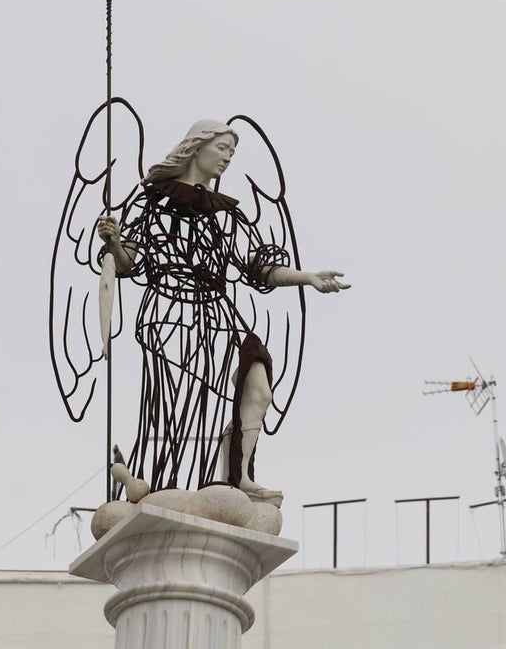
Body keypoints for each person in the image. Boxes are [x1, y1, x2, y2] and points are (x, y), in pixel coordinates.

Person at [97, 119, 348, 501]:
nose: (227, 158)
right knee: (177, 403)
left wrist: (308, 276)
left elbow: (259, 266)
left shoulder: (226, 215)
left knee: (258, 384)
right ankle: (160, 486)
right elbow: (129, 262)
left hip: (216, 312)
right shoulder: (153, 202)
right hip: (170, 310)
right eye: (221, 148)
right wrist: (114, 241)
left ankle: (238, 475)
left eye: (233, 152)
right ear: (196, 148)